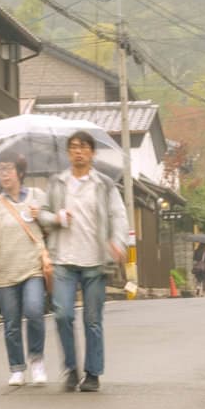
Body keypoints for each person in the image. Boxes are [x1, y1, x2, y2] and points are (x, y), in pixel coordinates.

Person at [43, 129, 129, 392]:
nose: (78, 151)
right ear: (68, 153)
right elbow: (44, 215)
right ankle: (71, 367)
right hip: (63, 259)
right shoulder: (57, 183)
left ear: (92, 152)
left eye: (83, 147)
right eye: (73, 147)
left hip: (95, 261)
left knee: (92, 319)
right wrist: (56, 218)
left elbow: (118, 216)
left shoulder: (104, 184)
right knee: (62, 315)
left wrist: (118, 241)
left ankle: (92, 373)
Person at [0, 155, 54, 387]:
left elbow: (50, 225)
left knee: (34, 311)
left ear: (20, 172)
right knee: (11, 322)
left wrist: (42, 216)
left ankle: (37, 360)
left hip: (32, 267)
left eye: (9, 169)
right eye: (1, 170)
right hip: (5, 270)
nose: (4, 174)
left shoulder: (38, 196)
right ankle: (17, 368)